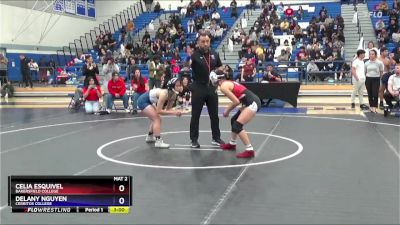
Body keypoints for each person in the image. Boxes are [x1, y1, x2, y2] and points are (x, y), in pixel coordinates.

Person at [210, 71, 261, 158]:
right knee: (234, 120)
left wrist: (227, 111)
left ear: (216, 79)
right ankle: (232, 143)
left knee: (237, 126)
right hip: (250, 102)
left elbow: (236, 101)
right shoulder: (228, 83)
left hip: (252, 103)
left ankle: (249, 150)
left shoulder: (223, 86)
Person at [190, 30, 225, 148]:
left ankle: (216, 137)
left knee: (214, 115)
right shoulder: (194, 55)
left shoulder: (215, 54)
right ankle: (193, 139)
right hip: (198, 87)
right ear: (199, 43)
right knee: (195, 115)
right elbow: (187, 66)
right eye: (203, 41)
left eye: (207, 41)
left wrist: (219, 74)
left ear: (210, 42)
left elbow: (220, 66)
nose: (205, 44)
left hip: (212, 88)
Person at [137, 77, 184, 148]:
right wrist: (175, 113)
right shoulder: (164, 94)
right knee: (157, 119)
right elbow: (159, 111)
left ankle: (150, 136)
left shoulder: (174, 95)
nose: (180, 87)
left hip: (149, 101)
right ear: (172, 87)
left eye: (180, 85)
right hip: (143, 100)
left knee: (157, 118)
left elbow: (168, 109)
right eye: (177, 86)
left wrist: (178, 111)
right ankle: (158, 141)